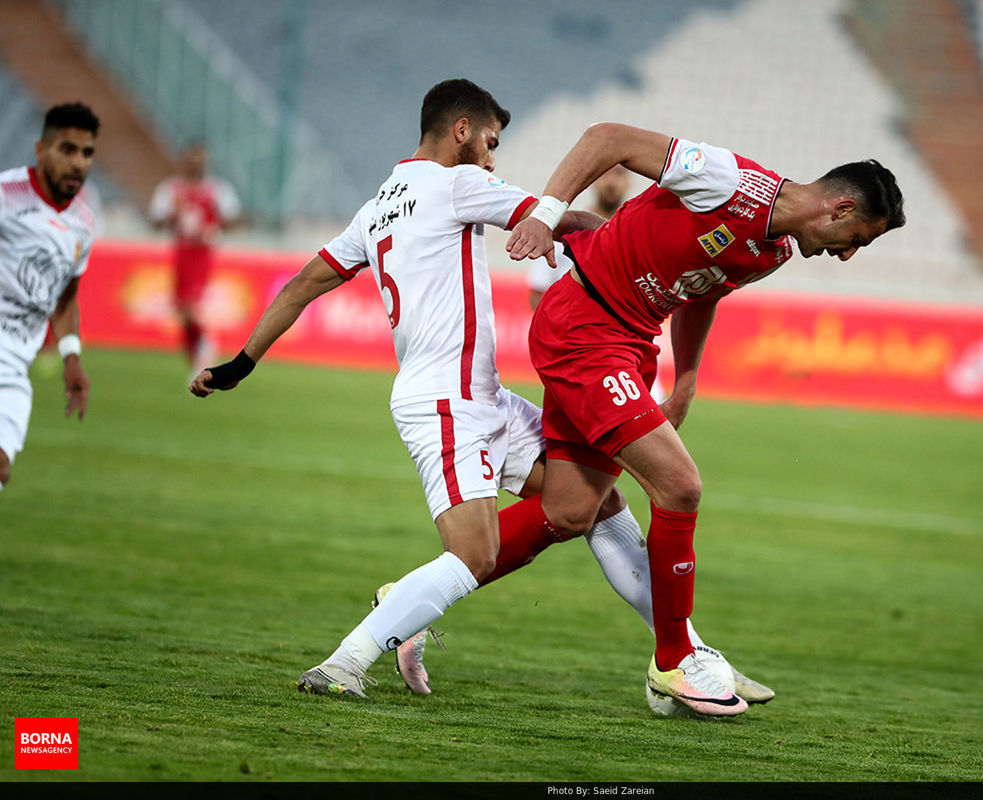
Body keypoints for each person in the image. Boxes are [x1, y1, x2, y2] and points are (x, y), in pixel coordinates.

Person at [188, 81, 771, 708]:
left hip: (481, 398)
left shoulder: (377, 206)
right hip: (443, 400)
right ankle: (346, 660)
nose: (493, 160)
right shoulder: (454, 183)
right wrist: (630, 253)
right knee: (474, 551)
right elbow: (563, 218)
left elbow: (305, 283)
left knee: (593, 505)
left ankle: (687, 653)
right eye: (491, 143)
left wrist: (243, 362)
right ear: (461, 130)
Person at [507, 123, 905, 716]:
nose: (847, 253)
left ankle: (414, 601)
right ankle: (676, 660)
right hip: (586, 328)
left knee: (568, 512)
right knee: (680, 485)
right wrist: (546, 213)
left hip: (627, 343)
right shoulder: (726, 180)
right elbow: (607, 137)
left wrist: (686, 381)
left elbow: (698, 296)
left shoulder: (770, 251)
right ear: (840, 207)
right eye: (856, 239)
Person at [0, 102, 100, 494]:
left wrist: (71, 359)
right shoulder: (6, 196)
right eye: (68, 150)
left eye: (88, 153)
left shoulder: (83, 224)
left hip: (13, 371)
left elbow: (64, 300)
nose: (79, 162)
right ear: (42, 150)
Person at [148, 142, 240, 374]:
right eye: (193, 158)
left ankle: (207, 344)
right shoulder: (171, 189)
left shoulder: (217, 190)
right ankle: (197, 359)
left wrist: (213, 229)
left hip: (203, 254)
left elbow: (233, 218)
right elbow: (155, 220)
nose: (196, 163)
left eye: (200, 159)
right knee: (181, 310)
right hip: (180, 252)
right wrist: (172, 214)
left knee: (191, 307)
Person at [527, 165, 630, 310]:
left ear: (628, 182)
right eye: (605, 174)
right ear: (594, 180)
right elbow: (537, 290)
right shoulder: (566, 227)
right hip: (569, 326)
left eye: (619, 174)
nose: (611, 182)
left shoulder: (634, 234)